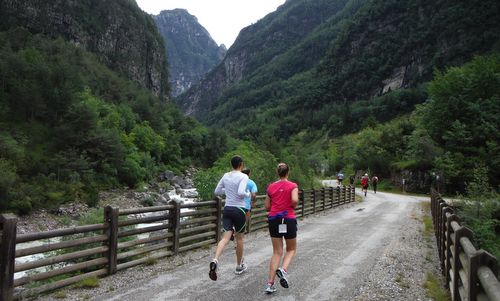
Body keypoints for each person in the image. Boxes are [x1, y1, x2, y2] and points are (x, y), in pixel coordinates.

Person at [209, 155, 250, 281]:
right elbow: (241, 192)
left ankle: (215, 260)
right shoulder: (244, 176)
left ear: (232, 164)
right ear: (241, 164)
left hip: (228, 209)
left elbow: (217, 191)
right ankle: (238, 266)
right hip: (239, 210)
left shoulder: (226, 175)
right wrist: (248, 194)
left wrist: (227, 192)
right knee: (240, 239)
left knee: (225, 238)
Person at [264, 162, 299, 294]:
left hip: (273, 219)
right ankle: (283, 270)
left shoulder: (271, 187)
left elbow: (267, 207)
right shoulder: (293, 186)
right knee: (291, 249)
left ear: (277, 173)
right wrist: (290, 205)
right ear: (288, 172)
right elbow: (295, 200)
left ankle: (270, 284)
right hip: (288, 218)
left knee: (276, 252)